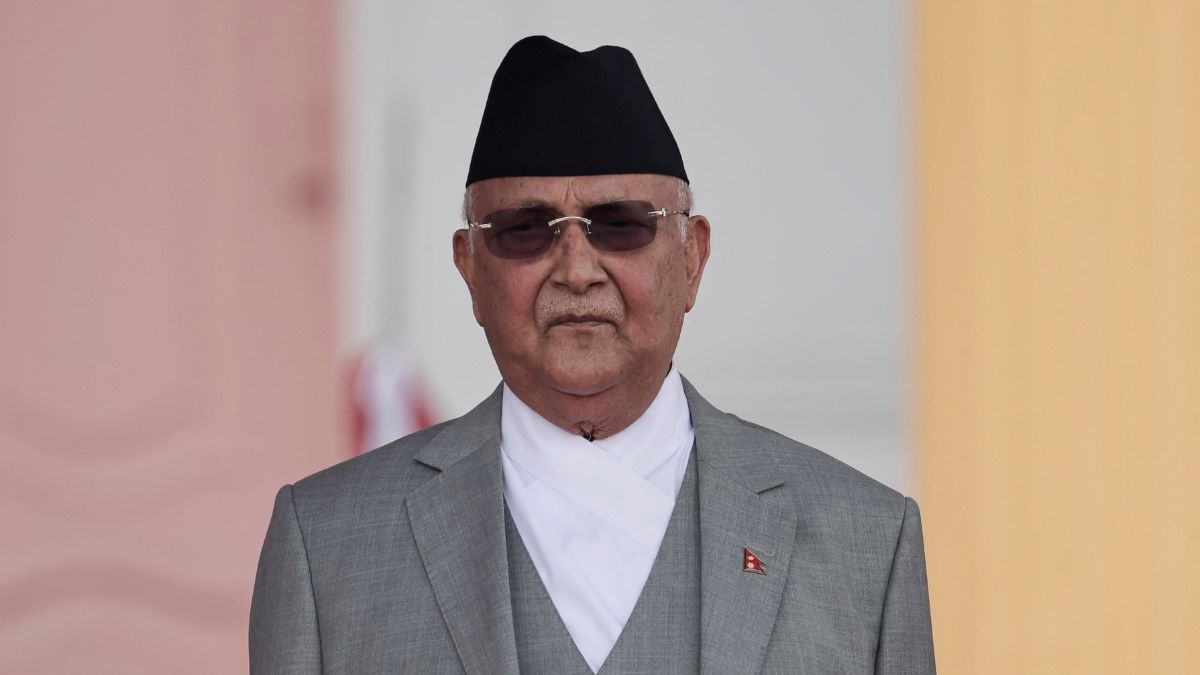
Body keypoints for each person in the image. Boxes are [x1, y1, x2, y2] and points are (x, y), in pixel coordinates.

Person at [250, 36, 935, 674]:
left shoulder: (867, 545)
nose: (577, 269)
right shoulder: (327, 547)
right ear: (470, 270)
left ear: (691, 257)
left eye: (620, 225)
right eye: (524, 230)